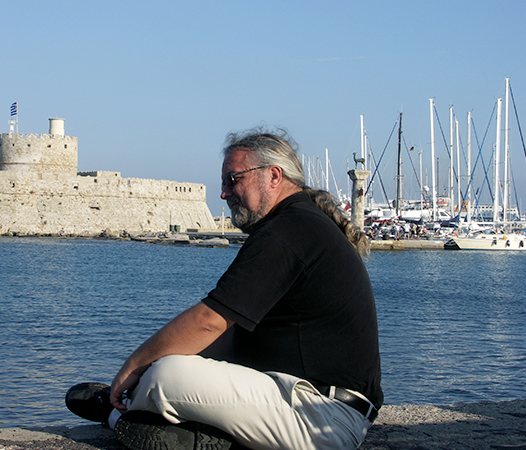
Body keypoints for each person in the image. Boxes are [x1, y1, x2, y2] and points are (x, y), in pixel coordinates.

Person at [66, 128, 383, 450]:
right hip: (319, 408)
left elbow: (210, 321)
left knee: (167, 375)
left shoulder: (286, 232)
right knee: (172, 364)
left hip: (322, 419)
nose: (223, 194)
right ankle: (176, 424)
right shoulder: (301, 223)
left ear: (273, 176)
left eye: (233, 180)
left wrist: (134, 367)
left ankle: (117, 413)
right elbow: (229, 336)